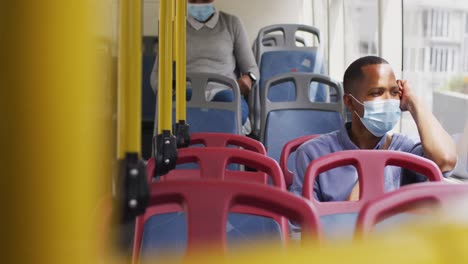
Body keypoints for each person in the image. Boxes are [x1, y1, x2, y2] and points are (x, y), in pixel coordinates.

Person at [289, 56, 457, 202]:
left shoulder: (404, 150)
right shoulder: (313, 154)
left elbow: (445, 161)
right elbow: (302, 225)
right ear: (349, 101)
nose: (389, 100)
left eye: (394, 92)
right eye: (377, 93)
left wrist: (414, 103)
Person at [150, 0, 259, 134]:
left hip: (224, 92)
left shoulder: (231, 23)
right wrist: (169, 88)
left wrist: (248, 79)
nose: (199, 3)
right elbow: (156, 75)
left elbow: (252, 70)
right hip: (188, 92)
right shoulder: (175, 27)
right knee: (185, 104)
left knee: (228, 102)